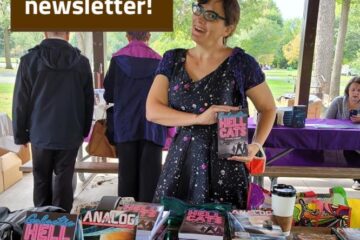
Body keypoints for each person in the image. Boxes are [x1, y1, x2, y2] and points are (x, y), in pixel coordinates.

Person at [146, 0, 276, 208]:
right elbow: (152, 111)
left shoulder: (242, 63)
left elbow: (268, 108)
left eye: (211, 15)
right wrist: (198, 119)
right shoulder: (173, 59)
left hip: (228, 164)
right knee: (175, 226)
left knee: (225, 227)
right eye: (198, 10)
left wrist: (256, 146)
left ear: (229, 28)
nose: (199, 17)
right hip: (181, 162)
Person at [12, 32, 94, 212]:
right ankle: (62, 225)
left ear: (44, 32)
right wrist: (84, 131)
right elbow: (89, 102)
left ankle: (41, 225)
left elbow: (20, 101)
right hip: (70, 131)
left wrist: (20, 135)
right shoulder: (82, 62)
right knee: (64, 180)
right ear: (68, 33)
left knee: (41, 179)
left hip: (40, 132)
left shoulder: (29, 61)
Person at [103, 32, 167, 202]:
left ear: (127, 35)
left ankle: (127, 219)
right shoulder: (160, 61)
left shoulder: (117, 60)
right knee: (150, 180)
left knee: (126, 177)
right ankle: (147, 222)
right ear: (149, 35)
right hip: (153, 126)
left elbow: (109, 94)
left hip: (125, 125)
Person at [325, 76, 360, 190]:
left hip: (357, 142)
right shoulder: (339, 101)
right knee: (349, 150)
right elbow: (327, 120)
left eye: (359, 90)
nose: (356, 93)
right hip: (339, 141)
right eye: (353, 89)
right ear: (348, 90)